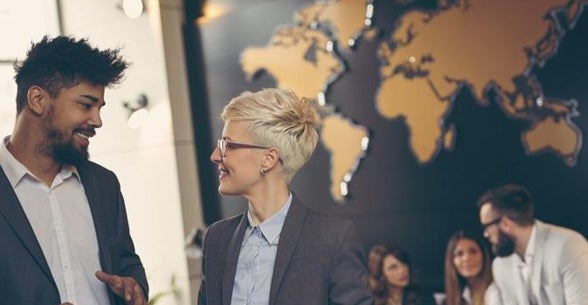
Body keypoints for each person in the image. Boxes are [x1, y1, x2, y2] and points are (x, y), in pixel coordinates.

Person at [0, 36, 148, 305]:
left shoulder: (104, 184)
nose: (97, 121)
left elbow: (127, 263)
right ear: (37, 99)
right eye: (85, 105)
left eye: (99, 108)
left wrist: (133, 287)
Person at [197, 88, 373, 305]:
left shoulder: (332, 239)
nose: (215, 156)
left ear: (268, 159)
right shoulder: (217, 239)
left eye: (228, 145)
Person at [477, 183, 588, 305]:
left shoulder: (568, 245)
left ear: (505, 224)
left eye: (486, 227)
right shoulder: (500, 266)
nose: (485, 234)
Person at [441, 229, 500, 305]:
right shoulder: (461, 295)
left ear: (484, 256)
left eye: (473, 251)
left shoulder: (495, 290)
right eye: (459, 254)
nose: (466, 258)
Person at [367, 244, 432, 305]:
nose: (402, 271)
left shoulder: (423, 297)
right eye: (393, 267)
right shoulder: (371, 301)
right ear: (381, 275)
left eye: (403, 263)